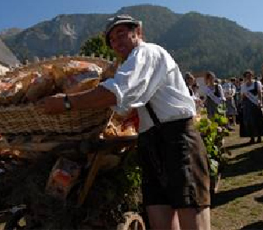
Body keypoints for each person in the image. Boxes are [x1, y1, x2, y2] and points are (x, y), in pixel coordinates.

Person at [39, 15, 211, 230]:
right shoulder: (127, 65)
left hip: (177, 139)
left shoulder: (147, 52)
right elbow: (125, 105)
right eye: (111, 39)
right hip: (150, 141)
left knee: (189, 207)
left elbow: (117, 91)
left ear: (138, 32)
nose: (116, 42)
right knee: (159, 213)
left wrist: (66, 103)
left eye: (121, 34)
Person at [240, 70, 263, 143]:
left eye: (250, 75)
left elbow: (260, 93)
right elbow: (242, 96)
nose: (248, 77)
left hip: (255, 104)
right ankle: (252, 137)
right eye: (247, 76)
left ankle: (259, 136)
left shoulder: (257, 83)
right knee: (249, 122)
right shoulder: (243, 85)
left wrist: (260, 102)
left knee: (258, 120)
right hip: (247, 105)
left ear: (252, 76)